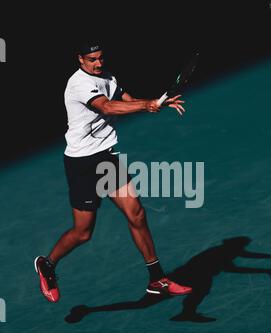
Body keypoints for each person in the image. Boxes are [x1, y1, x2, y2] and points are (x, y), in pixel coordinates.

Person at [34, 43, 192, 303]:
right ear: (80, 59)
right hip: (82, 164)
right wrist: (147, 105)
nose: (98, 63)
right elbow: (107, 107)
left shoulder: (107, 77)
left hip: (106, 158)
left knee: (136, 213)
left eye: (101, 58)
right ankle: (48, 264)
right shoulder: (78, 84)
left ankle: (157, 279)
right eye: (92, 59)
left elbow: (125, 100)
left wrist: (156, 103)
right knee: (83, 232)